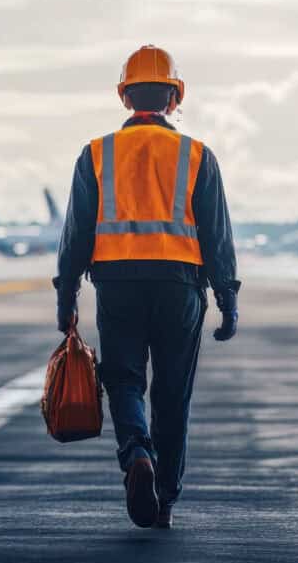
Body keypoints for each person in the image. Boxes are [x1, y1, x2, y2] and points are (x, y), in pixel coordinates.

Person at [54, 45, 240, 529]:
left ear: (125, 97)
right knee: (173, 394)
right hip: (180, 286)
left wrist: (65, 295)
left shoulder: (96, 153)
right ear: (174, 99)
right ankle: (165, 498)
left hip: (116, 285)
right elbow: (217, 235)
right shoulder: (197, 154)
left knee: (124, 380)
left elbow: (76, 233)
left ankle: (136, 450)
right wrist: (228, 298)